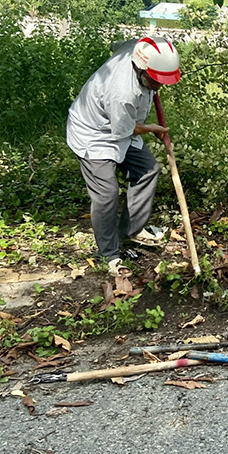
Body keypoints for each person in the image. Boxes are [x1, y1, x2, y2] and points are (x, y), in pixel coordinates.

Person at [66, 36, 181, 275]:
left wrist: (156, 78)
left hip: (122, 127)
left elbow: (117, 44)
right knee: (107, 193)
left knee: (148, 171)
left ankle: (130, 230)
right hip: (95, 134)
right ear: (139, 69)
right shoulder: (122, 92)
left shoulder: (142, 49)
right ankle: (107, 254)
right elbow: (125, 130)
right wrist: (152, 129)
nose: (159, 86)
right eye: (154, 80)